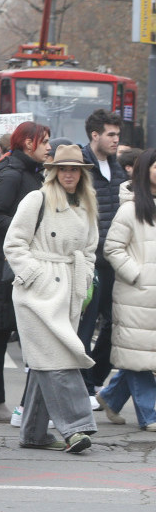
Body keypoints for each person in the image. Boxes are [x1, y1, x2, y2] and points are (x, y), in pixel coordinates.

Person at [4, 145, 99, 453]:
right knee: (60, 358)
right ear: (54, 171)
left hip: (68, 289)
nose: (69, 174)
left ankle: (33, 432)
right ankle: (76, 427)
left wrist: (83, 279)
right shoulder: (38, 198)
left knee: (47, 360)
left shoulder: (87, 204)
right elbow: (14, 243)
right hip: (37, 293)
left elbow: (90, 249)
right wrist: (35, 276)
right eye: (63, 168)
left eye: (74, 169)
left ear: (82, 173)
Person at [0, 121, 52, 423]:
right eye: (44, 141)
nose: (49, 147)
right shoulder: (11, 174)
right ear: (28, 144)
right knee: (3, 331)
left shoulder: (28, 173)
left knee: (7, 331)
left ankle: (6, 404)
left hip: (14, 262)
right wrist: (31, 230)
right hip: (7, 264)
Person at [98, 148, 156, 432]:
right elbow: (112, 248)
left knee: (139, 354)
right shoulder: (131, 207)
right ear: (145, 171)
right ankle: (149, 414)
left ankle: (110, 396)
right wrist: (138, 275)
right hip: (137, 294)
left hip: (152, 297)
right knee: (140, 358)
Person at [77, 109, 127, 399]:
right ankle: (83, 387)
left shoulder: (118, 167)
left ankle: (94, 378)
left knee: (116, 322)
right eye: (110, 134)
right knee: (85, 323)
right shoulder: (80, 165)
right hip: (88, 259)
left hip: (113, 258)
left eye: (117, 135)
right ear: (95, 135)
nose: (115, 140)